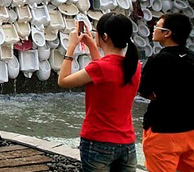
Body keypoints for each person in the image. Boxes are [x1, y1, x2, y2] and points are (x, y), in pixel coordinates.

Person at [57, 12, 141, 172]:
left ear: (105, 36)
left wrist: (71, 47)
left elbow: (63, 81)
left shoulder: (100, 68)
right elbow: (103, 72)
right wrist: (92, 46)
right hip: (127, 143)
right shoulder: (134, 66)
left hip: (98, 141)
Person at [139, 13, 194, 172]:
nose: (154, 29)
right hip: (190, 129)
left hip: (162, 131)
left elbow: (144, 91)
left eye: (157, 26)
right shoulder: (192, 57)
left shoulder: (158, 60)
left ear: (167, 33)